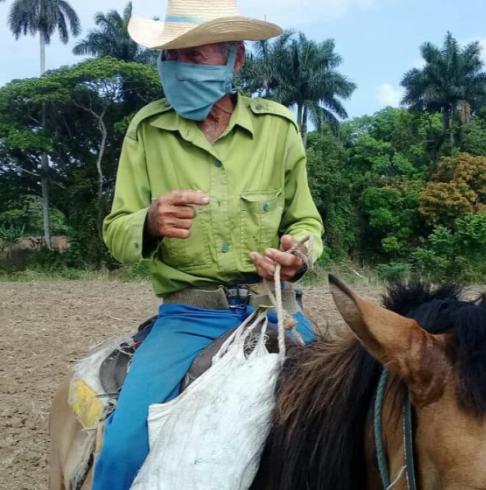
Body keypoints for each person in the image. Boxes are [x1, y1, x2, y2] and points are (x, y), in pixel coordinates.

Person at [94, 1, 324, 488]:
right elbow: (116, 231)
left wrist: (297, 255)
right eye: (171, 58)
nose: (179, 70)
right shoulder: (147, 131)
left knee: (338, 430)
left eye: (195, 58)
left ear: (235, 60)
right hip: (188, 317)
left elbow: (306, 220)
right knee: (121, 451)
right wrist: (150, 221)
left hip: (276, 311)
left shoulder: (278, 128)